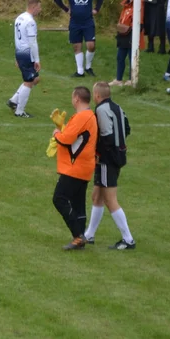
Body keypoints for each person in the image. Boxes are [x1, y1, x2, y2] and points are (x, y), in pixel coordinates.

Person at [84, 82, 136, 250]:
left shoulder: (100, 110)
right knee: (96, 196)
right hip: (118, 155)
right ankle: (89, 235)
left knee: (109, 199)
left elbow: (106, 135)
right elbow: (126, 128)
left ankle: (128, 239)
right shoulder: (117, 107)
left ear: (97, 96)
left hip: (107, 159)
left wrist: (98, 154)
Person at [51, 86, 98, 250]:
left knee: (59, 198)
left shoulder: (82, 117)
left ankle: (78, 236)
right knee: (78, 203)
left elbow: (67, 139)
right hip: (84, 167)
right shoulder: (90, 116)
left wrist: (56, 134)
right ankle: (80, 237)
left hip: (74, 167)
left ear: (77, 98)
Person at [54, 0, 104, 77]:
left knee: (91, 45)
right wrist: (66, 9)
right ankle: (80, 71)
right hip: (75, 22)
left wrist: (96, 9)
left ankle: (88, 67)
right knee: (77, 46)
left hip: (88, 22)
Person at [8, 0, 41, 118]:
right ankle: (19, 111)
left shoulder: (19, 18)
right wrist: (36, 59)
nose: (40, 10)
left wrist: (17, 56)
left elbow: (17, 38)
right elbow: (32, 42)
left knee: (35, 79)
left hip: (20, 52)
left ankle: (13, 100)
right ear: (33, 7)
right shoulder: (30, 22)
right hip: (27, 54)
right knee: (29, 81)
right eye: (39, 7)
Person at [112, 0, 142, 85]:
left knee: (131, 56)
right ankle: (118, 79)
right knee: (120, 56)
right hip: (123, 32)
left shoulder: (138, 3)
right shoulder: (126, 4)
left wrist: (134, 30)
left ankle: (131, 79)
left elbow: (139, 19)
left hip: (131, 32)